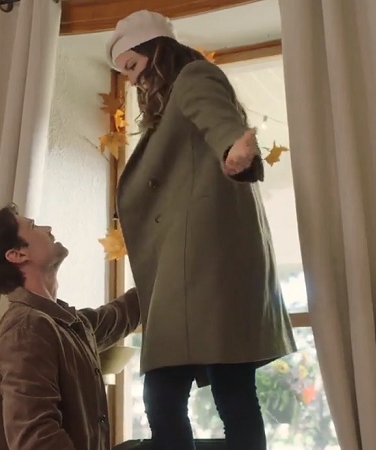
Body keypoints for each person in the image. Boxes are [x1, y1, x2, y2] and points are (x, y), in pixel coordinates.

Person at [105, 10, 296, 450]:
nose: (132, 80)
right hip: (194, 271)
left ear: (156, 51)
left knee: (180, 394)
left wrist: (234, 149)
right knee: (223, 392)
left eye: (132, 65)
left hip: (202, 270)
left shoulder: (193, 77)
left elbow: (218, 119)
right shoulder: (167, 110)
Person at [0, 204, 140, 450]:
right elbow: (37, 439)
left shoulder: (60, 324)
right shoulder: (26, 331)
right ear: (17, 254)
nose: (47, 228)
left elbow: (118, 316)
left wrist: (162, 269)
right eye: (33, 226)